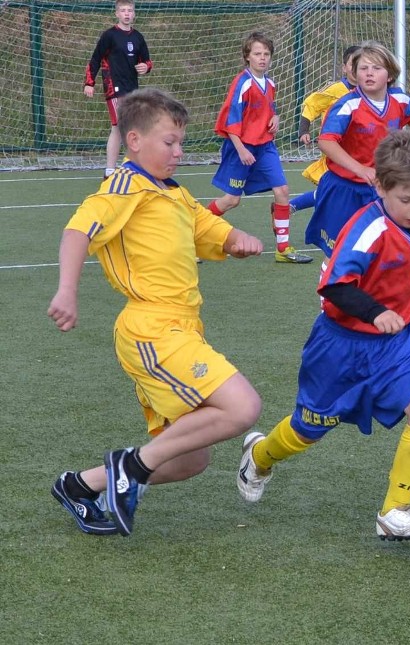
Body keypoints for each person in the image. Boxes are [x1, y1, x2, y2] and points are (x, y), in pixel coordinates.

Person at [48, 88, 264, 537]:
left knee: (189, 458)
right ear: (134, 140)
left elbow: (208, 229)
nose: (178, 152)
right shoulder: (125, 186)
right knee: (243, 407)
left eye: (181, 143)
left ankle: (80, 485)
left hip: (183, 328)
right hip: (152, 329)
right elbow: (78, 230)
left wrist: (235, 239)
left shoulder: (173, 193)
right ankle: (131, 466)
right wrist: (68, 290)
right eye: (169, 142)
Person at [237, 128, 410, 541]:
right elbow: (334, 287)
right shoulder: (366, 229)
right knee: (307, 430)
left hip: (396, 345)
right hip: (340, 346)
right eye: (406, 199)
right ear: (381, 187)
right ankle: (260, 455)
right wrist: (376, 313)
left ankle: (394, 511)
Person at [304, 41, 410, 260]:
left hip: (381, 188)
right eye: (363, 68)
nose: (369, 73)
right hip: (344, 188)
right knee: (339, 253)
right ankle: (331, 293)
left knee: (383, 248)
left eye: (376, 68)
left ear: (389, 75)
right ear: (355, 74)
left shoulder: (400, 99)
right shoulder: (347, 105)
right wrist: (360, 169)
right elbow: (326, 142)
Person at [207, 32, 312, 264]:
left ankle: (283, 249)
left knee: (283, 191)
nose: (262, 58)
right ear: (247, 57)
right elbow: (230, 119)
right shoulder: (242, 83)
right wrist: (241, 149)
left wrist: (275, 117)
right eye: (257, 54)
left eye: (266, 54)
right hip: (241, 148)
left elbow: (268, 109)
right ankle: (194, 233)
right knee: (231, 201)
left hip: (265, 147)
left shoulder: (270, 83)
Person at [289, 44, 361, 216]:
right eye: (353, 63)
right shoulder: (335, 90)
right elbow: (311, 105)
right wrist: (303, 130)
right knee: (341, 192)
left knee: (338, 194)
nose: (358, 67)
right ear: (344, 68)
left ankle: (288, 208)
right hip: (335, 151)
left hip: (358, 150)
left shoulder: (368, 91)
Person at [83, 0, 152, 179]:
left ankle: (132, 166)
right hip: (114, 87)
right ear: (117, 14)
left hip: (132, 88)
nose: (127, 13)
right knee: (119, 126)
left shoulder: (138, 37)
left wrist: (145, 67)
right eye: (123, 10)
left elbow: (146, 61)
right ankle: (110, 170)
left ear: (134, 14)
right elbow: (95, 59)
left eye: (130, 10)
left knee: (132, 127)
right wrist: (89, 83)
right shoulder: (110, 35)